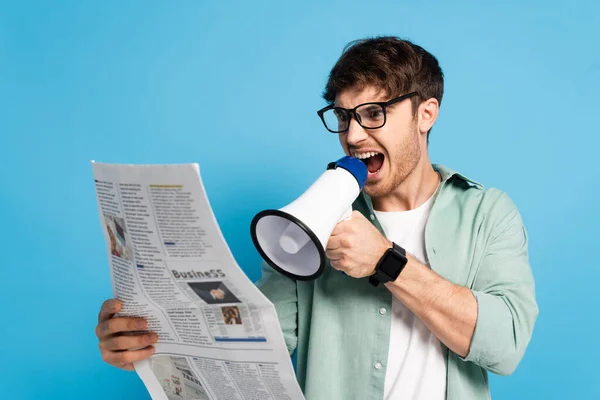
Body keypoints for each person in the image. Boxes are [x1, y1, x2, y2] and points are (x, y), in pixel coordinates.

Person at [95, 36, 538, 399]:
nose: (352, 135)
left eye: (372, 114)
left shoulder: (488, 213)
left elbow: (505, 346)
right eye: (343, 117)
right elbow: (256, 346)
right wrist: (151, 343)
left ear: (426, 114)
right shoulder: (308, 223)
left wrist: (386, 260)